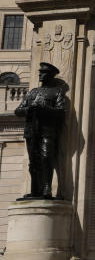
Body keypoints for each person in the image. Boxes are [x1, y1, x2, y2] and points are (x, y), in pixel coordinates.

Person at [15, 62, 68, 199]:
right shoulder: (33, 92)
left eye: (43, 73)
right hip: (31, 130)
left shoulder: (57, 92)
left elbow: (61, 112)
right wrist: (29, 109)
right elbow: (18, 110)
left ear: (50, 75)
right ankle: (34, 190)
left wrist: (44, 110)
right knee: (33, 161)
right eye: (39, 73)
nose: (40, 75)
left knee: (46, 158)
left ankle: (46, 188)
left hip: (47, 130)